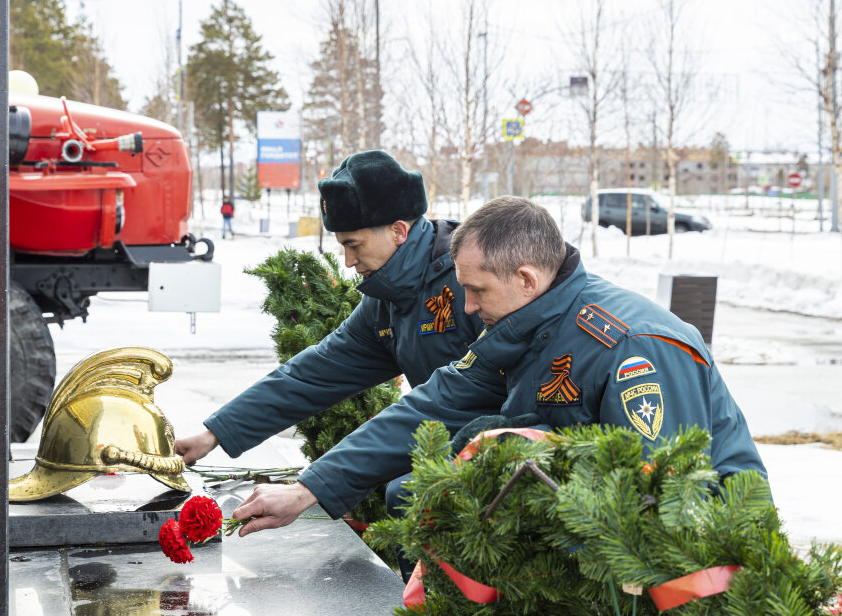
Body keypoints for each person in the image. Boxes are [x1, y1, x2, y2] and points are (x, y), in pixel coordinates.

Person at [228, 196, 766, 542]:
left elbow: (665, 502)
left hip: (694, 550)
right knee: (414, 493)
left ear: (526, 279)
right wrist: (310, 489)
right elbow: (433, 404)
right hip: (580, 517)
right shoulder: (520, 326)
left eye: (476, 290)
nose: (466, 306)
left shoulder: (633, 347)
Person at [176, 149, 486, 497]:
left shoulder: (469, 279)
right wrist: (214, 434)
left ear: (398, 231)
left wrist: (309, 489)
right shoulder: (384, 300)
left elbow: (464, 396)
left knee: (405, 495)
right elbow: (315, 373)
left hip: (508, 442)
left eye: (354, 244)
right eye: (342, 246)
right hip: (453, 442)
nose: (349, 261)